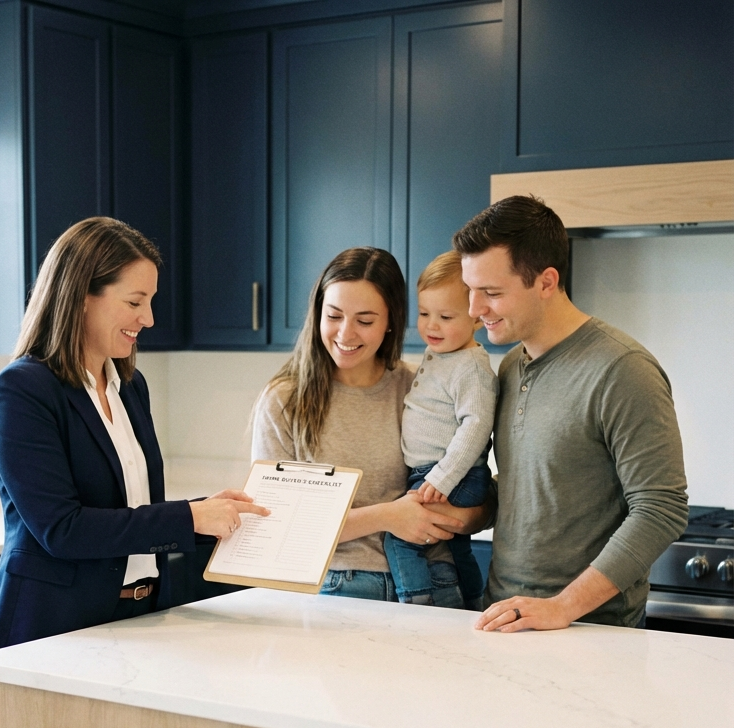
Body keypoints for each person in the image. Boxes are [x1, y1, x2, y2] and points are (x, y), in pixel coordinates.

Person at [0, 217, 268, 650]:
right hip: (53, 629)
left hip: (142, 614)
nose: (148, 319)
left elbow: (131, 512)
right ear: (81, 296)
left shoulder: (130, 386)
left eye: (150, 302)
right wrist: (190, 516)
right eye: (135, 302)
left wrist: (209, 512)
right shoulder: (22, 391)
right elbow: (63, 529)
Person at [454, 195, 688, 632]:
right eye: (470, 289)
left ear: (546, 282)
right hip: (504, 617)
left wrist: (562, 607)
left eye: (492, 293)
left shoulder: (623, 370)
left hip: (594, 630)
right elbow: (533, 484)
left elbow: (661, 509)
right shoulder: (511, 366)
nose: (473, 309)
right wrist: (467, 513)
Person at [252, 247, 489, 603]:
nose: (345, 333)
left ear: (391, 321)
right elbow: (275, 521)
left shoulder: (420, 386)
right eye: (334, 316)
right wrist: (388, 517)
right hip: (339, 587)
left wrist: (462, 518)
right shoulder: (285, 401)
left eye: (365, 321)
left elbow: (483, 494)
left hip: (438, 579)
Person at [383, 252, 498, 609]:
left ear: (476, 317)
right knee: (456, 546)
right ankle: (473, 599)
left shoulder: (470, 367)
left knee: (399, 538)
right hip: (438, 473)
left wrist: (442, 478)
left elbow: (476, 426)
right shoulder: (442, 353)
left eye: (446, 317)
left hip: (453, 476)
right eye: (424, 314)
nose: (432, 326)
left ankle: (415, 601)